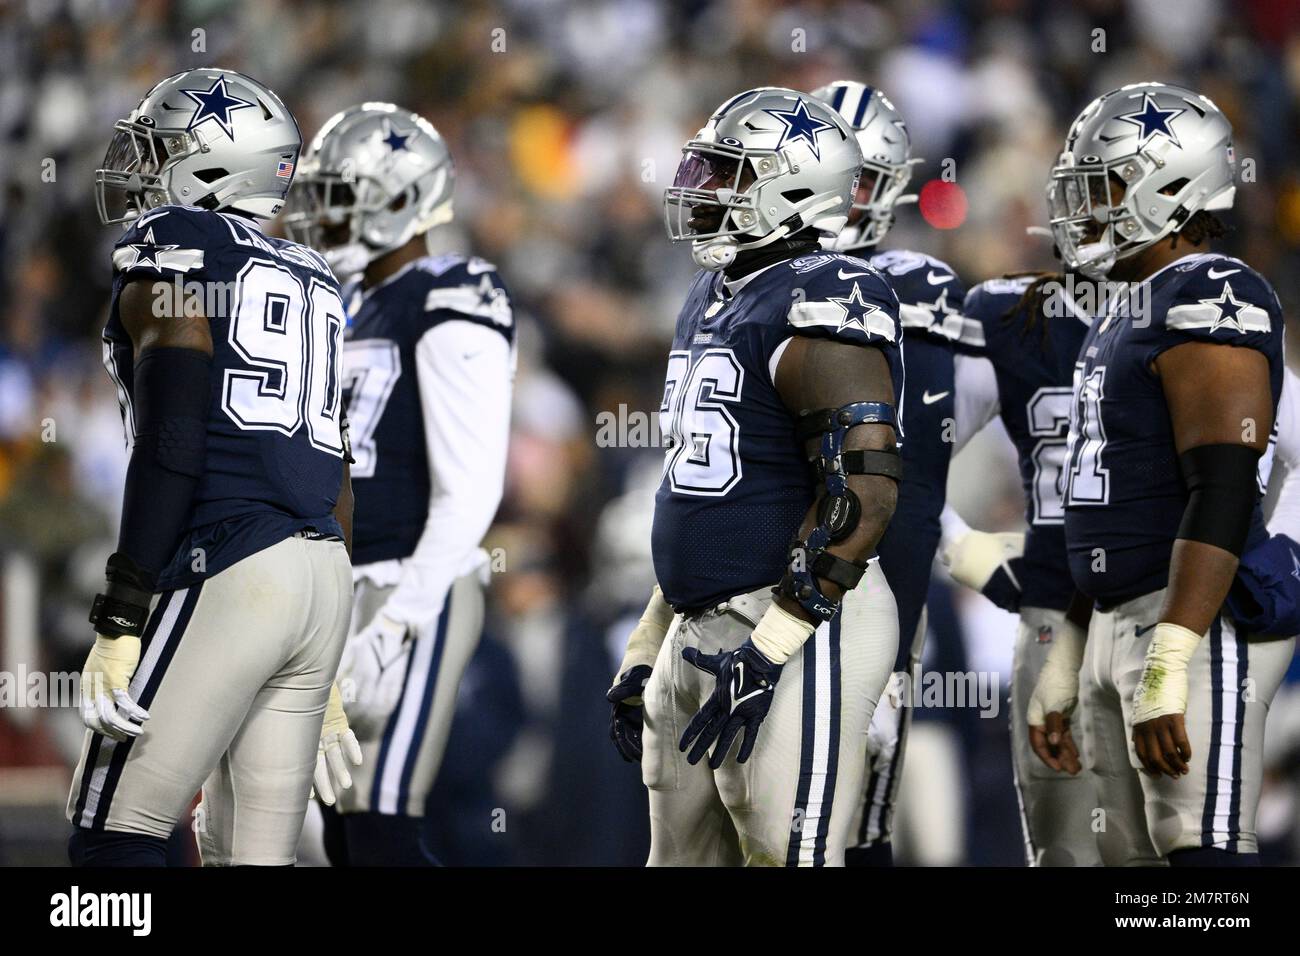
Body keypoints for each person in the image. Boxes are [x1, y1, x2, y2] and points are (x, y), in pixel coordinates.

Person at [606, 87, 902, 866]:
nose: (701, 193)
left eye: (727, 175)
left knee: (786, 856)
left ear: (793, 189)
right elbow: (707, 496)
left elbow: (862, 495)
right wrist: (648, 642)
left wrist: (770, 648)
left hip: (800, 621)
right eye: (704, 171)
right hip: (701, 620)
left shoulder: (826, 295)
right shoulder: (714, 292)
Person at [70, 67, 358, 866]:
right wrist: (327, 653)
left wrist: (124, 609)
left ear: (210, 167)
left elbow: (175, 433)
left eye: (157, 149)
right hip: (322, 574)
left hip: (233, 562)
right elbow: (338, 458)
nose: (136, 167)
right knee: (249, 858)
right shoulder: (316, 276)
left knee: (111, 839)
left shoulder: (176, 242)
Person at [1030, 81, 1294, 865]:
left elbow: (1222, 486)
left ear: (1173, 185)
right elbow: (1105, 508)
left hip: (1193, 614)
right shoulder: (1126, 306)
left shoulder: (1213, 292)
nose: (1085, 204)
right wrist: (1071, 653)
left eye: (1104, 183)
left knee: (1204, 864)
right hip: (1123, 617)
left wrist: (1170, 659)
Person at [285, 103, 514, 865]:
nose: (321, 216)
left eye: (339, 198)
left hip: (417, 584)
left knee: (381, 820)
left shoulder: (451, 291)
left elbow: (471, 488)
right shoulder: (351, 304)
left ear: (401, 198)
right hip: (344, 585)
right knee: (344, 830)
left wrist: (401, 618)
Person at [810, 79, 981, 865]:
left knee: (849, 831)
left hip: (857, 598)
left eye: (852, 183)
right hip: (749, 592)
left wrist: (879, 652)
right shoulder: (746, 282)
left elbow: (908, 495)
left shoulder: (912, 291)